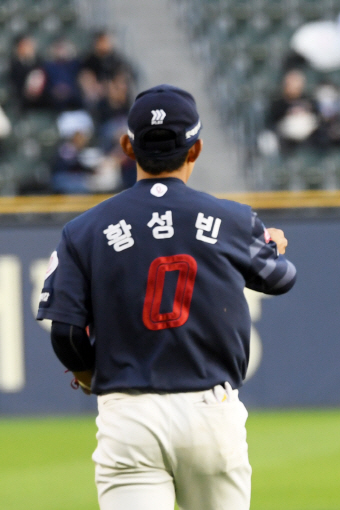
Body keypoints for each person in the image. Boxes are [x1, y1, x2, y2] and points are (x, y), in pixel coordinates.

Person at [37, 84, 296, 510]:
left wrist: (88, 377)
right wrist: (270, 244)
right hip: (211, 409)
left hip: (129, 414)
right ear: (195, 150)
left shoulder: (83, 230)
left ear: (127, 147)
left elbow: (66, 334)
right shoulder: (232, 220)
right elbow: (281, 278)